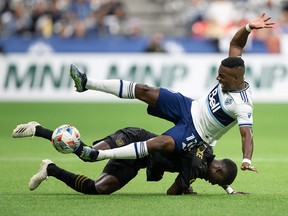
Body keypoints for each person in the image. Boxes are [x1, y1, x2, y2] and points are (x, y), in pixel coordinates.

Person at [68, 13, 275, 172]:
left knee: (158, 143)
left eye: (222, 77)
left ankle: (98, 155)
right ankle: (86, 83)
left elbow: (247, 134)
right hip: (188, 106)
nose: (217, 78)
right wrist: (248, 27)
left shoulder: (243, 104)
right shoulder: (233, 68)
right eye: (218, 74)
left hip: (196, 132)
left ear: (236, 78)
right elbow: (236, 43)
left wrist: (246, 159)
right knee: (145, 90)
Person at [12, 121, 245, 195]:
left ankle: (50, 169)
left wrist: (229, 189)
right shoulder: (196, 166)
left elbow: (209, 164)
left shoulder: (207, 150)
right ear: (217, 171)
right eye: (214, 182)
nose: (211, 183)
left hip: (137, 161)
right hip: (135, 138)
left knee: (97, 189)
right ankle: (39, 129)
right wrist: (187, 185)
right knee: (89, 155)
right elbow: (172, 192)